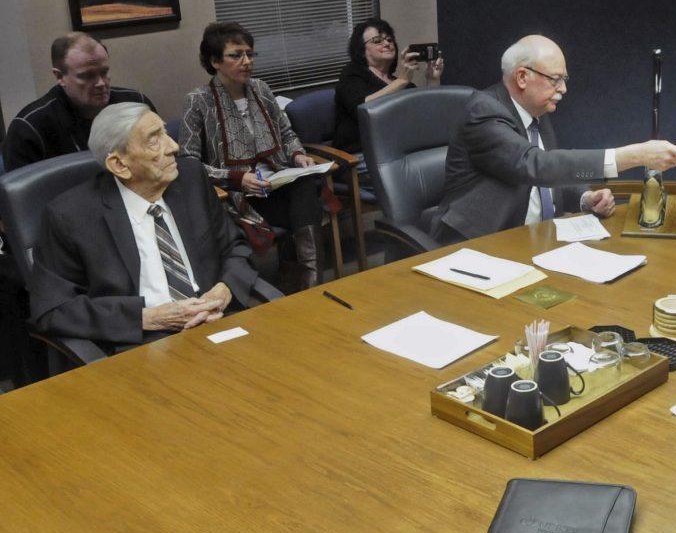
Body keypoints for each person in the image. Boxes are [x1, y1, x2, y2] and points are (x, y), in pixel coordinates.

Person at [28, 103, 258, 354]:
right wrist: (144, 318)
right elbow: (53, 309)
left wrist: (224, 290)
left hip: (216, 322)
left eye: (165, 133)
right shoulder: (70, 216)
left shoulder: (191, 178)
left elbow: (235, 247)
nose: (174, 147)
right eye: (154, 140)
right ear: (120, 165)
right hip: (143, 343)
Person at [435, 34, 676, 243]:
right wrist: (634, 156)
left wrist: (584, 198)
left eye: (564, 80)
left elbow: (546, 178)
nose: (563, 89)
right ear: (522, 77)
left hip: (534, 240)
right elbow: (534, 166)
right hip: (477, 245)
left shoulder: (536, 111)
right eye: (555, 80)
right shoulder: (483, 111)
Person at [178, 21, 325, 291]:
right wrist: (236, 178)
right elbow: (188, 164)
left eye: (250, 54)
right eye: (236, 55)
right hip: (238, 197)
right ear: (215, 61)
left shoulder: (262, 89)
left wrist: (297, 155)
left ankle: (310, 281)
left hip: (276, 183)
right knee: (306, 210)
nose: (247, 61)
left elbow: (287, 133)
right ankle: (303, 282)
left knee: (306, 184)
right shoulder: (198, 101)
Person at [3, 32, 156, 172]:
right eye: (87, 76)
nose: (101, 83)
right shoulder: (29, 128)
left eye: (104, 72)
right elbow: (21, 198)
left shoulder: (135, 104)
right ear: (59, 77)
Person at [333, 18, 445, 153]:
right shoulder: (351, 75)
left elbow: (427, 117)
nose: (387, 43)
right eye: (377, 41)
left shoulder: (405, 85)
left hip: (400, 149)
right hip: (361, 153)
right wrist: (402, 81)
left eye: (389, 40)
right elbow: (363, 109)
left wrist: (433, 79)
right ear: (362, 50)